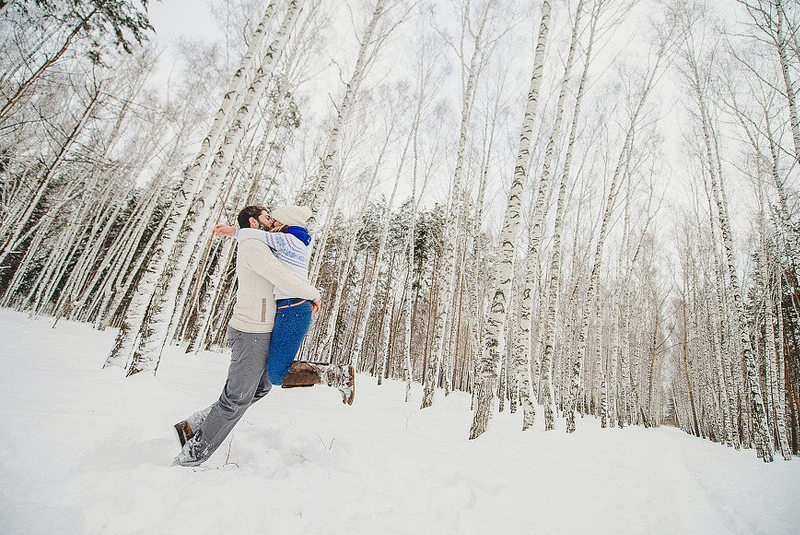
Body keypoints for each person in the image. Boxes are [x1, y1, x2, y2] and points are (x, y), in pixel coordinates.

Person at [172, 205, 353, 467]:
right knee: (237, 398)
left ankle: (194, 425)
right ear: (254, 223)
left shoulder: (262, 243)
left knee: (261, 388)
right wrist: (313, 293)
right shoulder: (254, 247)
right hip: (251, 331)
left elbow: (288, 249)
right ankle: (191, 457)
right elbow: (281, 275)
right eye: (267, 217)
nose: (272, 221)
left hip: (262, 329)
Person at [215, 204, 355, 401]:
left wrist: (234, 231)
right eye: (270, 219)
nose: (272, 223)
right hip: (290, 307)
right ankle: (335, 374)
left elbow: (254, 236)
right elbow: (257, 237)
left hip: (294, 307)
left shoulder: (289, 240)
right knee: (274, 371)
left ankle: (337, 374)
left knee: (278, 375)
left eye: (276, 221)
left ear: (287, 224)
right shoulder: (288, 239)